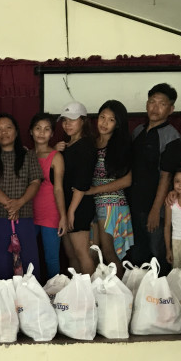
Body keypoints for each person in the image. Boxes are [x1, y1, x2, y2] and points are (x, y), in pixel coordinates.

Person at [71, 100, 133, 276]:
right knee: (95, 253)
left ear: (118, 123)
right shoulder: (91, 143)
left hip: (112, 205)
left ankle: (121, 296)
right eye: (102, 117)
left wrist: (93, 190)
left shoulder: (121, 145)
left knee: (109, 253)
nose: (104, 123)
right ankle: (100, 295)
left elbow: (127, 180)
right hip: (93, 205)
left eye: (111, 119)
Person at [127, 84, 181, 270]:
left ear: (171, 109)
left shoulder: (172, 138)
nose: (155, 107)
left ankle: (161, 297)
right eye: (152, 102)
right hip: (134, 204)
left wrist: (155, 211)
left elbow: (166, 178)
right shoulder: (137, 131)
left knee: (157, 254)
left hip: (156, 210)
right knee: (136, 254)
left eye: (161, 104)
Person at [0, 114, 42, 278]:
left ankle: (29, 297)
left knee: (28, 260)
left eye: (8, 127)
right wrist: (10, 204)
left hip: (24, 215)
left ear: (16, 131)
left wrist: (19, 203)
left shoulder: (28, 156)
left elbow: (35, 182)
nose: (4, 132)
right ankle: (1, 298)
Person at [57, 102, 98, 274]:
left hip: (78, 206)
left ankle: (89, 295)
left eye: (72, 120)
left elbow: (82, 182)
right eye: (65, 120)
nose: (67, 124)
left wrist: (71, 211)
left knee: (82, 253)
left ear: (83, 121)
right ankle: (77, 292)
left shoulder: (86, 145)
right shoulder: (67, 145)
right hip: (66, 206)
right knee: (71, 254)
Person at [29, 113, 66, 279]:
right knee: (28, 256)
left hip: (50, 213)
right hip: (28, 212)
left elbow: (58, 189)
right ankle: (30, 292)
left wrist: (63, 217)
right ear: (31, 131)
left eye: (46, 129)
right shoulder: (27, 155)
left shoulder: (56, 157)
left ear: (52, 134)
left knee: (51, 258)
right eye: (38, 128)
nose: (41, 133)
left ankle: (54, 295)